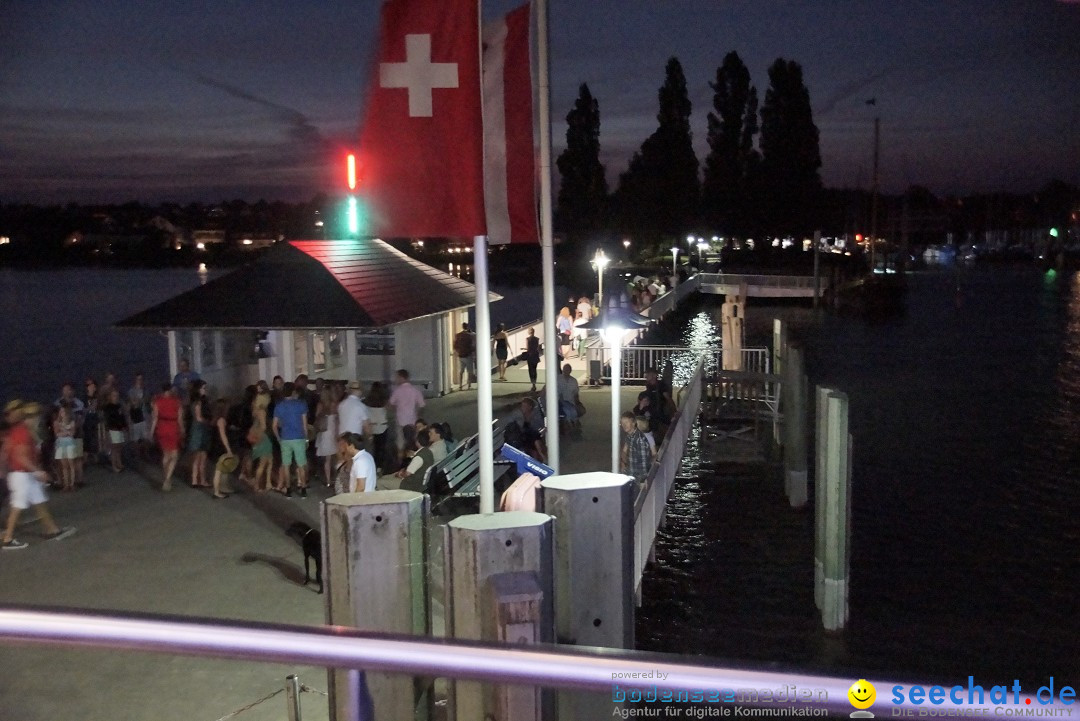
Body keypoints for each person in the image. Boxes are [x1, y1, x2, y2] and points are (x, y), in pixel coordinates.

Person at [1, 401, 76, 550]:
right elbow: (21, 457)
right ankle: (8, 539)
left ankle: (52, 529)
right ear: (30, 417)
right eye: (36, 418)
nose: (38, 421)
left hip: (26, 474)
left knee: (39, 500)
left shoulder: (22, 431)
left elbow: (7, 449)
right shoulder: (23, 432)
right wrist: (38, 471)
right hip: (21, 475)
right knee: (18, 505)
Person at [272, 382, 309, 497]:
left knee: (286, 464)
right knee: (301, 464)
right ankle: (303, 489)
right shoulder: (301, 404)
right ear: (293, 391)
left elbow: (274, 426)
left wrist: (278, 438)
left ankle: (288, 489)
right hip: (299, 438)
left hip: (285, 438)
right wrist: (306, 438)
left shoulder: (279, 406)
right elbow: (304, 424)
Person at [150, 383, 183, 491]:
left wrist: (151, 431)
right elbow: (180, 419)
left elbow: (155, 418)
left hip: (162, 427)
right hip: (173, 427)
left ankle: (166, 478)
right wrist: (182, 429)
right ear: (170, 390)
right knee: (174, 456)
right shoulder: (177, 402)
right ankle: (168, 478)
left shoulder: (157, 402)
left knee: (166, 454)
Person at [388, 369, 425, 464]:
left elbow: (391, 404)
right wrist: (416, 414)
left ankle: (400, 464)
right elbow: (421, 405)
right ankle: (413, 462)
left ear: (401, 377)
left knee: (400, 444)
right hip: (413, 421)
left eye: (397, 377)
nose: (396, 380)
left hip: (400, 421)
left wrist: (396, 410)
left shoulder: (397, 391)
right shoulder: (415, 390)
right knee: (413, 443)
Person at [247, 388, 274, 492]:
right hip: (263, 438)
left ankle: (267, 483)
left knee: (269, 460)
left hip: (258, 437)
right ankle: (257, 485)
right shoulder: (262, 411)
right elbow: (263, 426)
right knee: (263, 463)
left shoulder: (255, 410)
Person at [505, 397, 546, 463]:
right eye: (522, 406)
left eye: (524, 406)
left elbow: (540, 426)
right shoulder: (518, 415)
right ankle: (540, 456)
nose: (522, 408)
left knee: (534, 437)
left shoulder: (535, 416)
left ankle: (539, 457)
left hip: (531, 436)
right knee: (533, 438)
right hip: (521, 436)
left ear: (529, 407)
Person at [187, 380, 211, 488]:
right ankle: (201, 480)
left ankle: (195, 480)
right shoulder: (198, 402)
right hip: (200, 430)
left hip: (197, 429)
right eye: (203, 388)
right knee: (201, 456)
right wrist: (209, 422)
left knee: (198, 457)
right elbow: (199, 418)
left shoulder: (195, 402)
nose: (204, 390)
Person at [209, 399, 235, 499]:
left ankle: (217, 490)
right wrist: (228, 449)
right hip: (220, 446)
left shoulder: (215, 419)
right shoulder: (221, 420)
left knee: (218, 469)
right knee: (219, 470)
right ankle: (216, 491)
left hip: (215, 444)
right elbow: (223, 435)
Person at [396, 428, 435, 493]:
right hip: (421, 483)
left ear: (418, 442)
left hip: (410, 486)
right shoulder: (429, 452)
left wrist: (399, 474)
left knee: (381, 482)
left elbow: (407, 473)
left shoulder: (419, 458)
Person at [314, 386, 339, 488]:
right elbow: (337, 420)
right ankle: (336, 478)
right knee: (336, 457)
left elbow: (316, 417)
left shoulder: (320, 405)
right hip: (333, 431)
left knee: (327, 459)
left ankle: (328, 480)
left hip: (324, 432)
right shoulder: (334, 404)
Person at [363, 382, 391, 474]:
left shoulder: (367, 401)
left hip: (372, 427)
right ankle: (380, 467)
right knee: (381, 449)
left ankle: (372, 466)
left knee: (373, 449)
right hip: (382, 426)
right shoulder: (384, 401)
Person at [619, 411, 653, 482]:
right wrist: (623, 463)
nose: (624, 425)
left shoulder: (640, 440)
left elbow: (644, 463)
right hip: (631, 474)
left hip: (638, 478)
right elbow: (624, 452)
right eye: (622, 423)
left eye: (626, 422)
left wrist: (642, 481)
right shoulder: (629, 436)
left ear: (634, 423)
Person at [52, 402, 78, 492]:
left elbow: (72, 433)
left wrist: (64, 432)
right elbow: (57, 433)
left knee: (71, 464)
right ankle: (66, 485)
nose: (62, 413)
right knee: (64, 466)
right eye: (61, 411)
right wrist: (66, 432)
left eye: (64, 411)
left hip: (69, 443)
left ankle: (72, 484)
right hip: (61, 444)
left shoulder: (72, 422)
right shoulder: (56, 422)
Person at [102, 388, 128, 473]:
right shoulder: (108, 407)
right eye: (114, 396)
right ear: (110, 397)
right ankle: (114, 466)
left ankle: (119, 463)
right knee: (114, 448)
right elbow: (107, 420)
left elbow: (122, 417)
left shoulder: (119, 406)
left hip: (120, 429)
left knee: (119, 447)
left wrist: (125, 427)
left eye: (117, 396)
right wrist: (107, 432)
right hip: (113, 430)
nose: (116, 397)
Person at [127, 373, 151, 460]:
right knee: (136, 438)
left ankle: (146, 453)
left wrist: (140, 401)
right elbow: (134, 403)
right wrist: (139, 401)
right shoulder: (131, 391)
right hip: (136, 416)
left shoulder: (146, 390)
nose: (140, 381)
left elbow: (147, 400)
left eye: (141, 379)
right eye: (138, 379)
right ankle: (137, 454)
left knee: (146, 437)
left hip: (145, 415)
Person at [555, 363, 581, 432]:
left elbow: (576, 393)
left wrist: (578, 403)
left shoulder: (574, 381)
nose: (566, 371)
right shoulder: (557, 379)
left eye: (568, 370)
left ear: (570, 371)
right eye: (565, 369)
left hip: (570, 401)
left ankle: (573, 423)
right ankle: (571, 423)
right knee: (567, 411)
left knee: (572, 410)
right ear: (563, 370)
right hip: (559, 401)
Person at [454, 322, 476, 391]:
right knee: (470, 371)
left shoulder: (458, 335)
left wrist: (458, 352)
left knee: (461, 371)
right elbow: (473, 345)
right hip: (468, 355)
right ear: (468, 327)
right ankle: (469, 385)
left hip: (461, 355)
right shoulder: (471, 335)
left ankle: (460, 385)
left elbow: (455, 345)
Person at [523, 328, 541, 392]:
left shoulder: (528, 339)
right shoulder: (537, 339)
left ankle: (533, 384)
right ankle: (534, 382)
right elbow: (537, 348)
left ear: (529, 332)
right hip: (535, 355)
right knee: (534, 369)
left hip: (530, 356)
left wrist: (524, 349)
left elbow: (528, 348)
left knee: (530, 370)